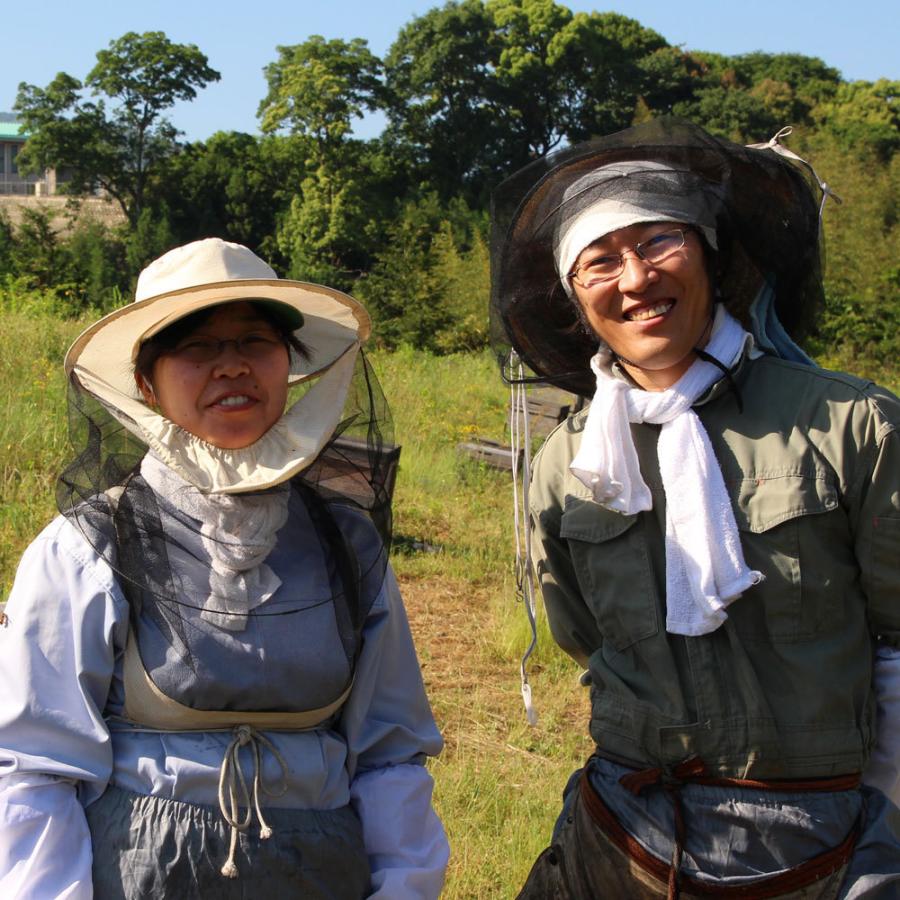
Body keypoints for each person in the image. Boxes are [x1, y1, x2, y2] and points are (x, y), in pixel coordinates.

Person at [490, 118, 900, 897]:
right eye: (600, 260)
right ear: (577, 299)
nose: (636, 278)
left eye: (658, 243)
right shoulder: (566, 468)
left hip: (823, 841)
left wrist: (880, 820)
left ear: (712, 257)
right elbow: (584, 636)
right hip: (626, 835)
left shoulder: (850, 425)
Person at [0, 238, 449, 899]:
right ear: (147, 384)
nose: (232, 367)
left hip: (322, 877)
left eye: (255, 343)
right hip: (139, 875)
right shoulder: (88, 545)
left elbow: (389, 752)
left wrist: (404, 887)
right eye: (197, 348)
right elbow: (35, 764)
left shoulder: (345, 543)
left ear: (288, 368)